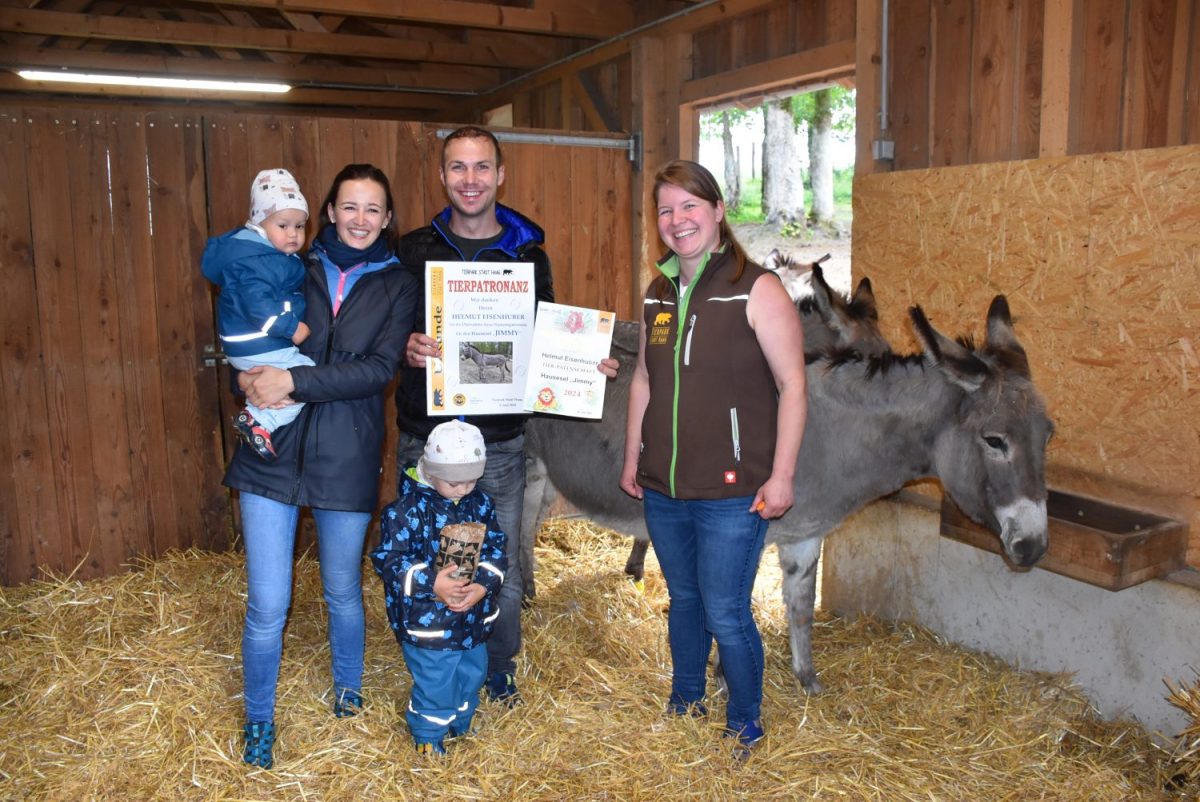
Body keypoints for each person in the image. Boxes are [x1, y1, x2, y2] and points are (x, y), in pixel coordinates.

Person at [397, 125, 617, 705]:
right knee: (428, 554)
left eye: (481, 168)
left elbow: (544, 339)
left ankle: (499, 668)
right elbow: (389, 327)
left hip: (498, 441)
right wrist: (407, 344)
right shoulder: (415, 249)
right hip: (427, 436)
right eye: (458, 168)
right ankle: (438, 665)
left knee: (501, 558)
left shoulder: (527, 254)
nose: (470, 180)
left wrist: (582, 364)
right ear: (442, 176)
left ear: (500, 175)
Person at [225, 164, 419, 769]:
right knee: (267, 605)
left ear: (387, 220)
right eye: (349, 206)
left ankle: (348, 694)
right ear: (329, 212)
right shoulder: (290, 262)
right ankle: (260, 718)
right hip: (271, 453)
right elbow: (242, 316)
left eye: (373, 209)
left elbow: (377, 369)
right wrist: (247, 373)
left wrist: (293, 378)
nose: (360, 219)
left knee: (341, 589)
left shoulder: (397, 284)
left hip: (346, 454)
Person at [618, 160, 807, 758]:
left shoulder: (757, 287)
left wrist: (782, 476)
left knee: (726, 610)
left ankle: (745, 721)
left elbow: (793, 385)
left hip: (734, 489)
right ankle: (686, 700)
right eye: (666, 211)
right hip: (667, 485)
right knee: (685, 599)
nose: (678, 221)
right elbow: (645, 382)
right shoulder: (658, 293)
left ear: (719, 210)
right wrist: (633, 458)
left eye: (690, 207)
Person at [370, 420, 507, 755]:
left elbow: (496, 549)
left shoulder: (481, 503)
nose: (463, 489)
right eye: (454, 482)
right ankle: (428, 736)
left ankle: (460, 723)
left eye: (471, 481)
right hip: (427, 623)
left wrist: (483, 586)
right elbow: (387, 559)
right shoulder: (405, 512)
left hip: (472, 617)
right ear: (430, 472)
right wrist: (432, 583)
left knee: (472, 673)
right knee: (436, 682)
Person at [202, 168, 314, 460]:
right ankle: (259, 419)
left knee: (295, 381)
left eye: (300, 226)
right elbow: (257, 305)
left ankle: (257, 414)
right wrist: (291, 328)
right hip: (260, 343)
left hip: (249, 347)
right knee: (308, 377)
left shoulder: (262, 257)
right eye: (283, 225)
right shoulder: (257, 262)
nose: (293, 234)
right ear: (259, 225)